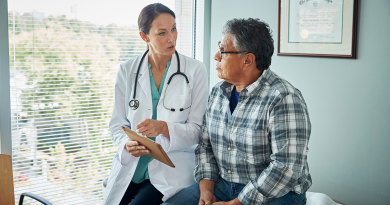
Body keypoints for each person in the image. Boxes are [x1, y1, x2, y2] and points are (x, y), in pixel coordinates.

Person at [163, 18, 312, 205]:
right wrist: (206, 190)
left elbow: (285, 169)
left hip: (276, 192)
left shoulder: (283, 98)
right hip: (224, 184)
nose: (216, 56)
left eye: (223, 51)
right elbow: (205, 147)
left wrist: (237, 203)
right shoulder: (218, 92)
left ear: (247, 60)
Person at [103, 3, 208, 205]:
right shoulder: (127, 70)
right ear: (145, 37)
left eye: (174, 29)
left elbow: (198, 130)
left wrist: (165, 128)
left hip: (171, 167)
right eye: (162, 33)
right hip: (132, 165)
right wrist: (125, 143)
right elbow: (117, 124)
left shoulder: (195, 70)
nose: (172, 38)